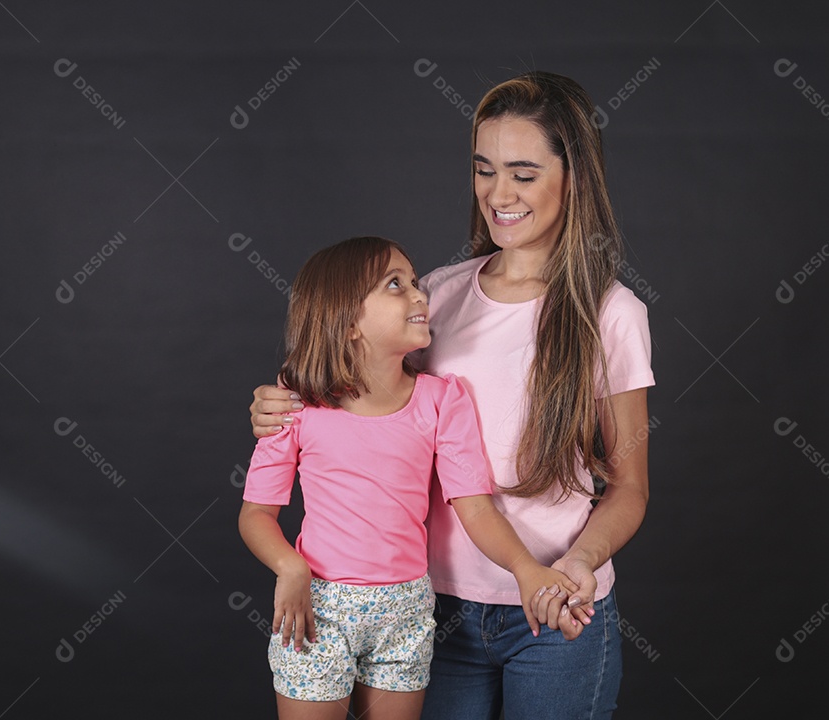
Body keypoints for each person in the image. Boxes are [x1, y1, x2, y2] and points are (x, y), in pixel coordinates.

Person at [250, 71, 654, 719]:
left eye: (523, 173)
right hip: (428, 609)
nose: (500, 194)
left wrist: (578, 561)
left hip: (552, 612)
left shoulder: (611, 313)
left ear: (573, 176)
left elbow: (629, 483)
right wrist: (278, 405)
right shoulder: (433, 295)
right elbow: (347, 395)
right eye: (484, 169)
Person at [239, 235, 579, 720]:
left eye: (416, 282)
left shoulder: (442, 401)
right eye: (395, 285)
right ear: (348, 320)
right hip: (318, 608)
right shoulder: (295, 403)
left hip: (407, 610)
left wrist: (526, 570)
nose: (420, 295)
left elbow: (476, 507)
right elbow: (255, 513)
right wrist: (290, 568)